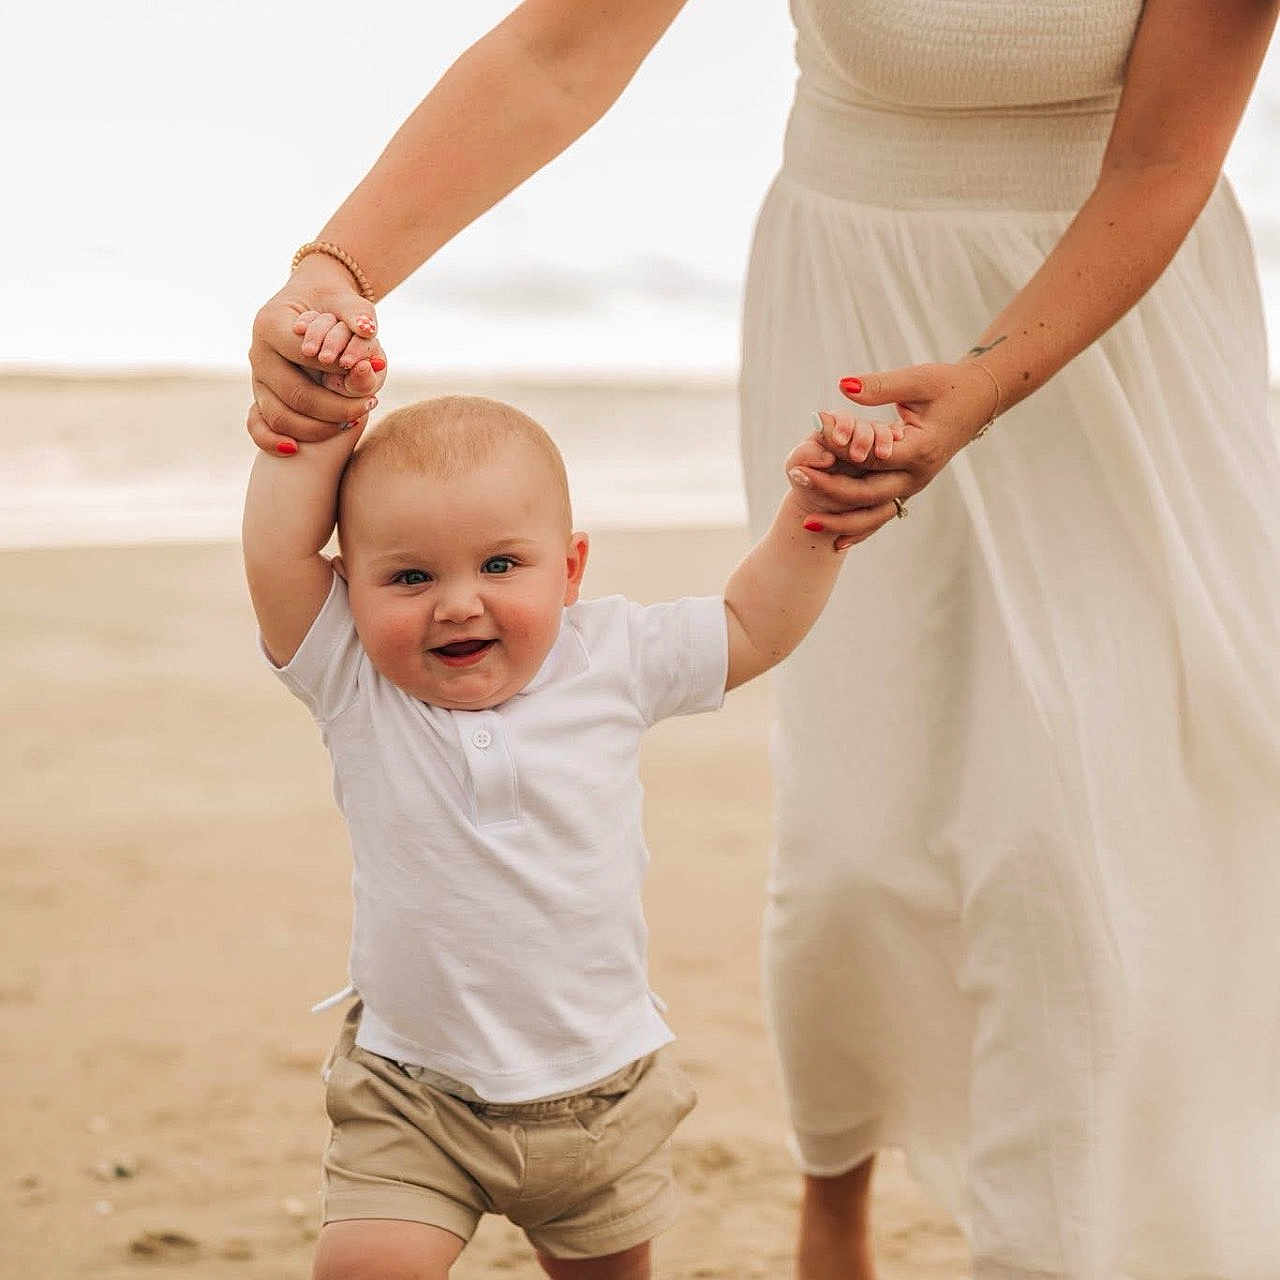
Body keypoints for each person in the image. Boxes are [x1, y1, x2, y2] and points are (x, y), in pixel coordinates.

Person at [246, 3, 1280, 1275]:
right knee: (857, 827)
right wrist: (337, 272)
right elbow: (557, 51)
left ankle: (1041, 1246)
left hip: (1110, 323)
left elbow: (1161, 162)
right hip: (852, 295)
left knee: (1059, 840)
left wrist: (979, 386)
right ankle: (833, 1174)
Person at [242, 390, 901, 1280]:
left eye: (502, 564)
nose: (457, 604)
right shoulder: (353, 678)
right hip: (413, 1094)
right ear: (346, 588)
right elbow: (275, 550)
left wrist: (815, 521)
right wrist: (313, 436)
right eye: (409, 578)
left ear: (571, 566)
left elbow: (752, 623)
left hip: (600, 1096)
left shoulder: (612, 658)